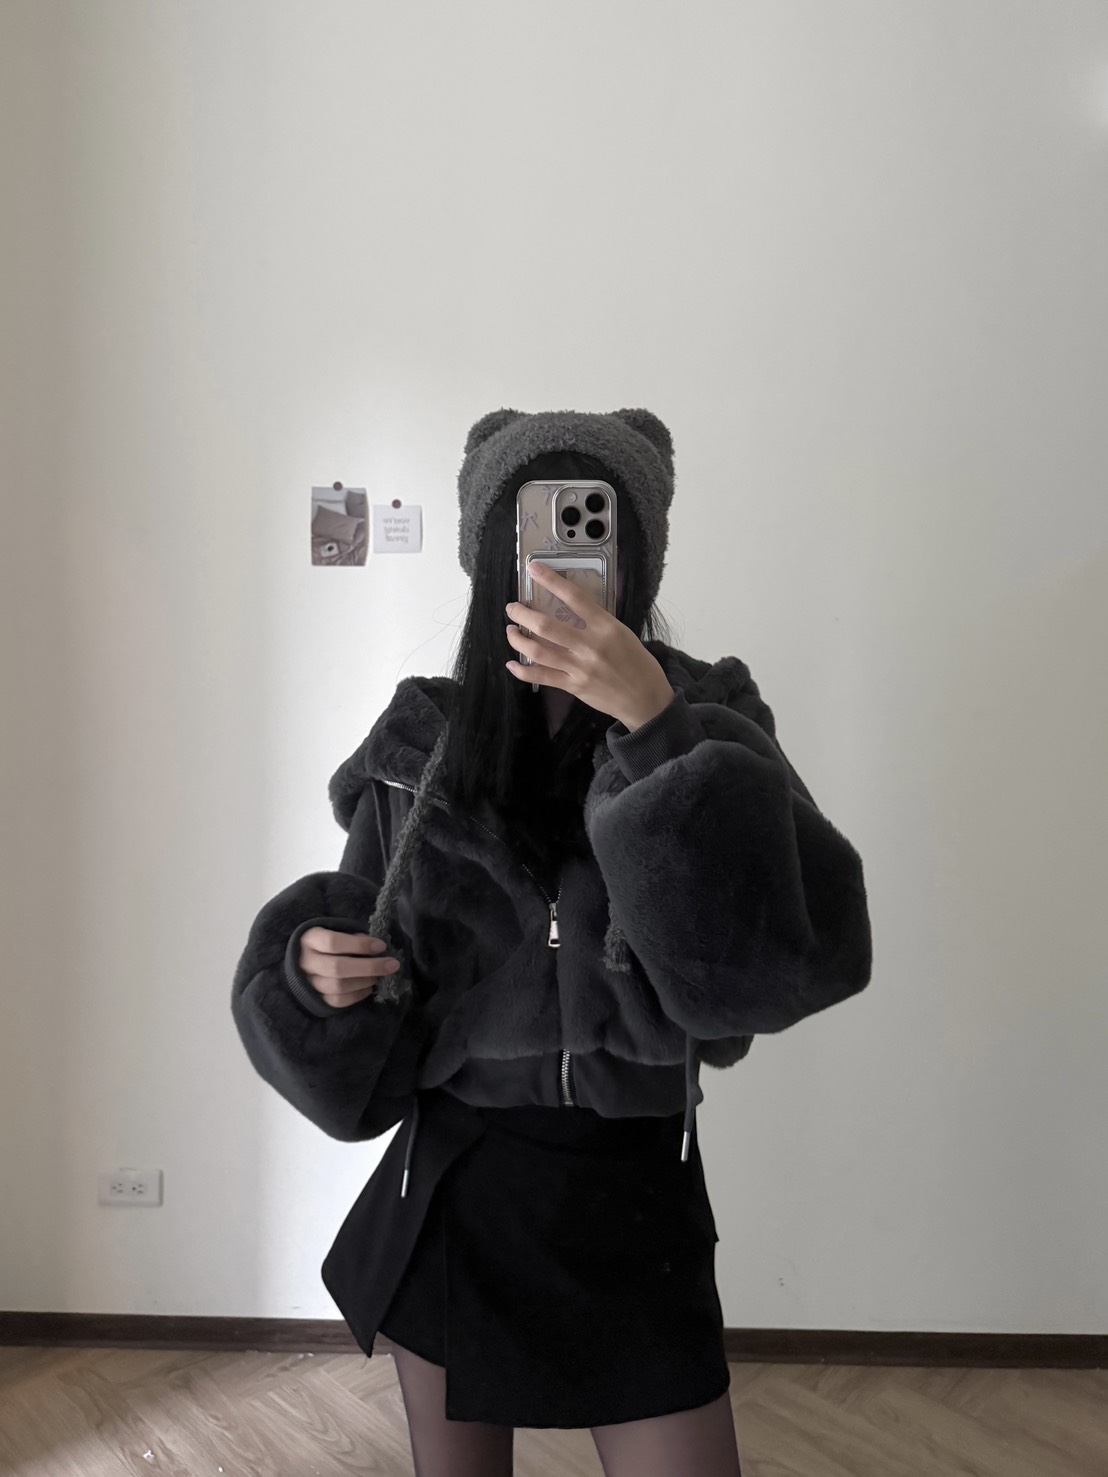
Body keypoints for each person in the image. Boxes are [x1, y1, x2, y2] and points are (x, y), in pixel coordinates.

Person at [231, 406, 873, 1476]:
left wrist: (657, 730)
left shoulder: (711, 717)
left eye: (595, 528)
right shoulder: (422, 743)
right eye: (535, 534)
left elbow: (788, 961)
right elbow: (369, 962)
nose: (567, 562)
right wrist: (311, 977)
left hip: (637, 1190)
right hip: (460, 1188)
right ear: (493, 558)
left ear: (637, 556)